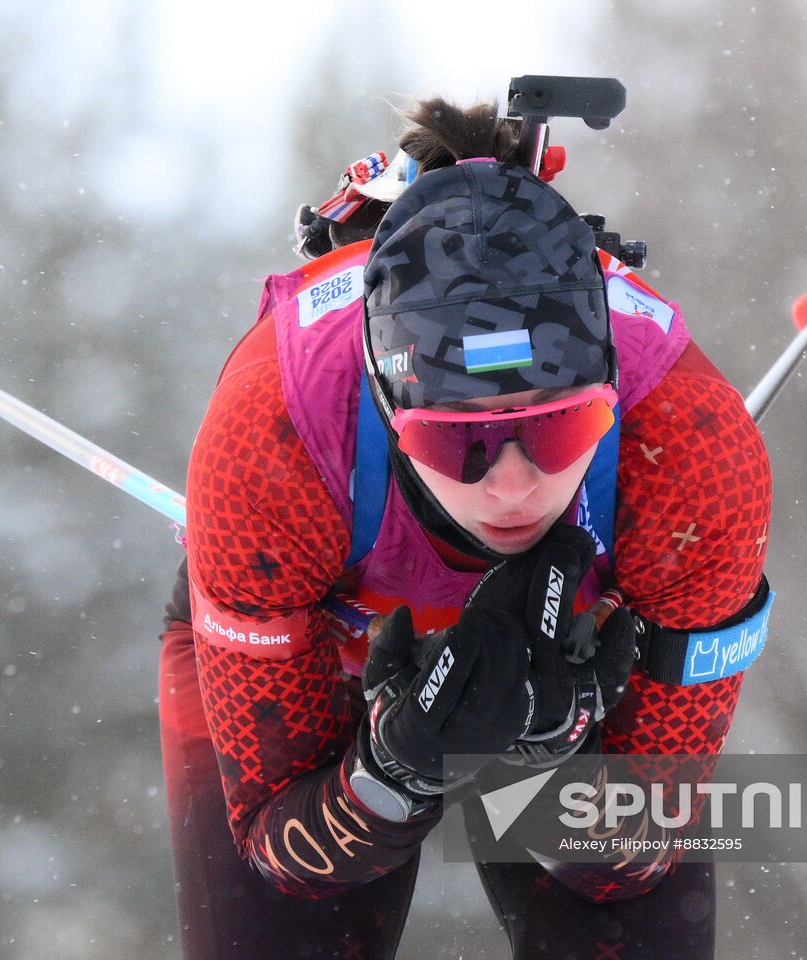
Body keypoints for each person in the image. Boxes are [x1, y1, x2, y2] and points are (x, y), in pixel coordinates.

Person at [158, 97, 772, 959]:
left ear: (607, 392)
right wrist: (394, 772)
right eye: (461, 443)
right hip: (326, 646)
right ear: (387, 403)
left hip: (583, 639)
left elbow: (632, 864)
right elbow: (283, 852)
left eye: (558, 428)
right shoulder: (271, 444)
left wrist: (548, 763)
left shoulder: (694, 453)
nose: (513, 486)